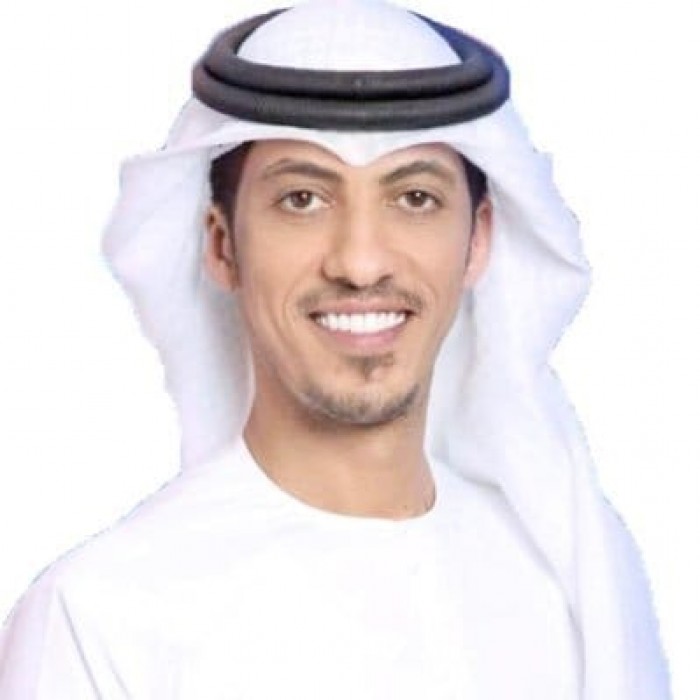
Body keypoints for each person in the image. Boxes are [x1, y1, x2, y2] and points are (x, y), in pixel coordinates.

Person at [0, 1, 671, 698]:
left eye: (414, 197)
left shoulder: (563, 588)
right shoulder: (102, 616)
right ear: (223, 246)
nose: (360, 261)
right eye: (302, 199)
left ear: (477, 240)